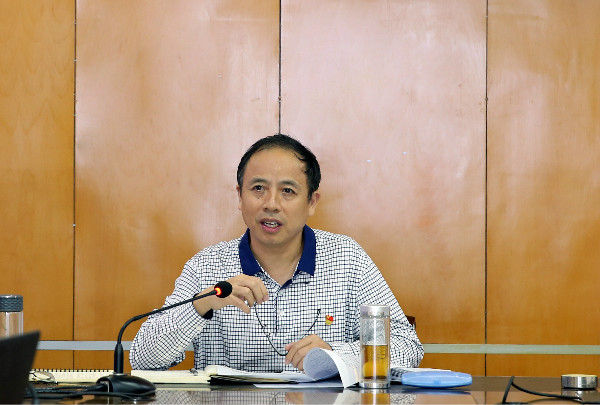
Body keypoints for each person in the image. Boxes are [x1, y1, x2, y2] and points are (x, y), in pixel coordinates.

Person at [130, 134, 423, 372]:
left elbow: (407, 347)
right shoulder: (207, 266)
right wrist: (200, 305)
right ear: (240, 196)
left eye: (287, 191)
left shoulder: (348, 259)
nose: (271, 204)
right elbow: (142, 359)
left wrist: (337, 355)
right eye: (258, 188)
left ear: (311, 202)